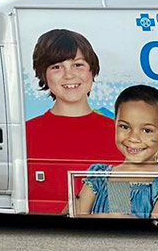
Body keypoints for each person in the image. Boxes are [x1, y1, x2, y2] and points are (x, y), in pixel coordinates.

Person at [24, 29, 122, 214]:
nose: (69, 75)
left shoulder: (119, 132)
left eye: (78, 65)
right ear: (44, 75)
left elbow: (122, 205)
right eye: (56, 67)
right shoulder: (24, 133)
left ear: (92, 71)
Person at [76, 85, 158, 218]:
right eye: (124, 127)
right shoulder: (102, 176)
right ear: (115, 125)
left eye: (147, 130)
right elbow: (75, 220)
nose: (133, 138)